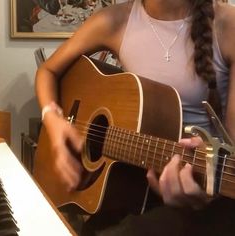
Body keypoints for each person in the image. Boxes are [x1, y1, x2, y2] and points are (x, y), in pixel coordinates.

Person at [35, 0, 235, 235]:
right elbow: (48, 70)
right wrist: (54, 121)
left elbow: (232, 146)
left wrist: (208, 184)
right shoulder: (113, 20)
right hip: (129, 187)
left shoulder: (227, 24)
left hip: (206, 196)